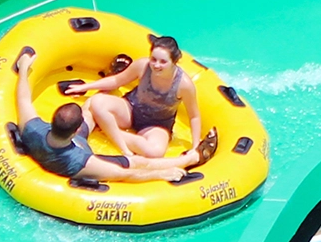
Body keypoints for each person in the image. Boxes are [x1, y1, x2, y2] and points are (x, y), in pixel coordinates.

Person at [15, 51, 212, 183]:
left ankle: (112, 82)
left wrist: (23, 68)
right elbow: (126, 174)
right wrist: (160, 174)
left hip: (62, 142)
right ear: (76, 130)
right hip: (73, 152)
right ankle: (193, 157)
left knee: (92, 106)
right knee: (137, 160)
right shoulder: (82, 161)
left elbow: (23, 99)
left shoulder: (33, 130)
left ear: (51, 121)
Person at [65, 35, 214, 159]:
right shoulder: (143, 65)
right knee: (97, 102)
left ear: (174, 61)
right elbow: (117, 80)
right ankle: (119, 143)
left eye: (163, 62)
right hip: (130, 109)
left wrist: (195, 146)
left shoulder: (183, 84)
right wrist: (85, 87)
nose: (156, 65)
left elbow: (194, 116)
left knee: (155, 152)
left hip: (157, 124)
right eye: (153, 59)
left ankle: (108, 129)